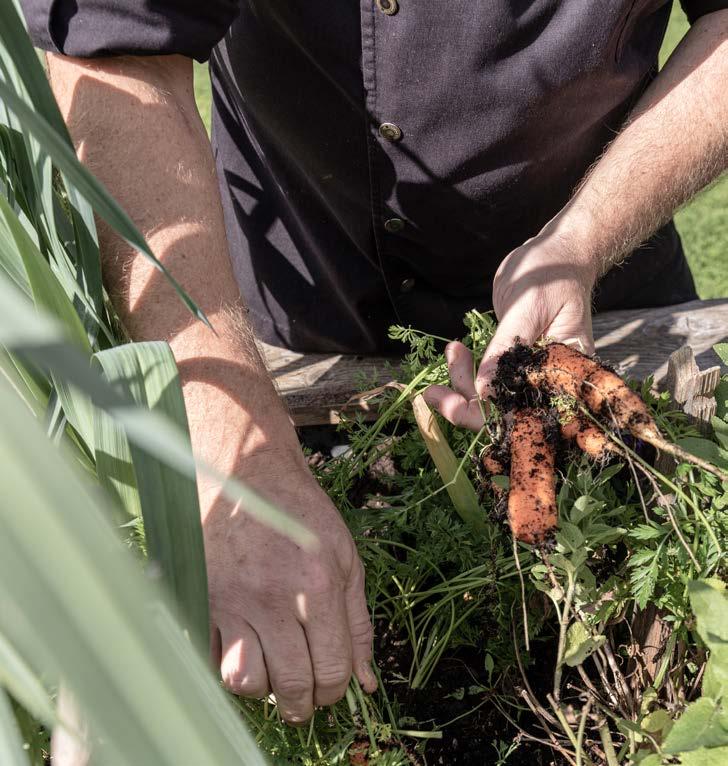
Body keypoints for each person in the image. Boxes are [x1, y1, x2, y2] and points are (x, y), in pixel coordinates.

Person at [23, 0, 727, 726]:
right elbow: (110, 52)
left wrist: (581, 241)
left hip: (594, 314)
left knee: (650, 629)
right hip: (290, 331)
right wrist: (233, 454)